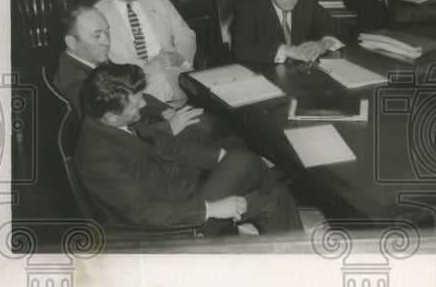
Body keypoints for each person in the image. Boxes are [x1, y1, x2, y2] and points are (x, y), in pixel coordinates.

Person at [75, 63, 301, 233]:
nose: (143, 105)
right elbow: (143, 211)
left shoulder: (114, 119)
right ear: (111, 116)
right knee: (242, 162)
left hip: (176, 188)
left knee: (265, 185)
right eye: (136, 104)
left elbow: (166, 148)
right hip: (170, 226)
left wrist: (216, 156)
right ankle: (275, 177)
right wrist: (210, 210)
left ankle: (295, 264)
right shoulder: (96, 157)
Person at [52, 5, 214, 142]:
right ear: (72, 42)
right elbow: (115, 139)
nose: (107, 42)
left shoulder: (90, 59)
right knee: (208, 125)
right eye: (97, 35)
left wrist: (165, 110)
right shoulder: (78, 86)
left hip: (147, 122)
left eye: (107, 32)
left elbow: (133, 93)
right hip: (145, 148)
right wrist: (168, 127)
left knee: (207, 121)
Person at [95, 0, 197, 106]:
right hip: (130, 79)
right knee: (160, 83)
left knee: (163, 81)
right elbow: (102, 57)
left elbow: (185, 33)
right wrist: (144, 68)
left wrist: (180, 56)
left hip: (173, 69)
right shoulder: (98, 13)